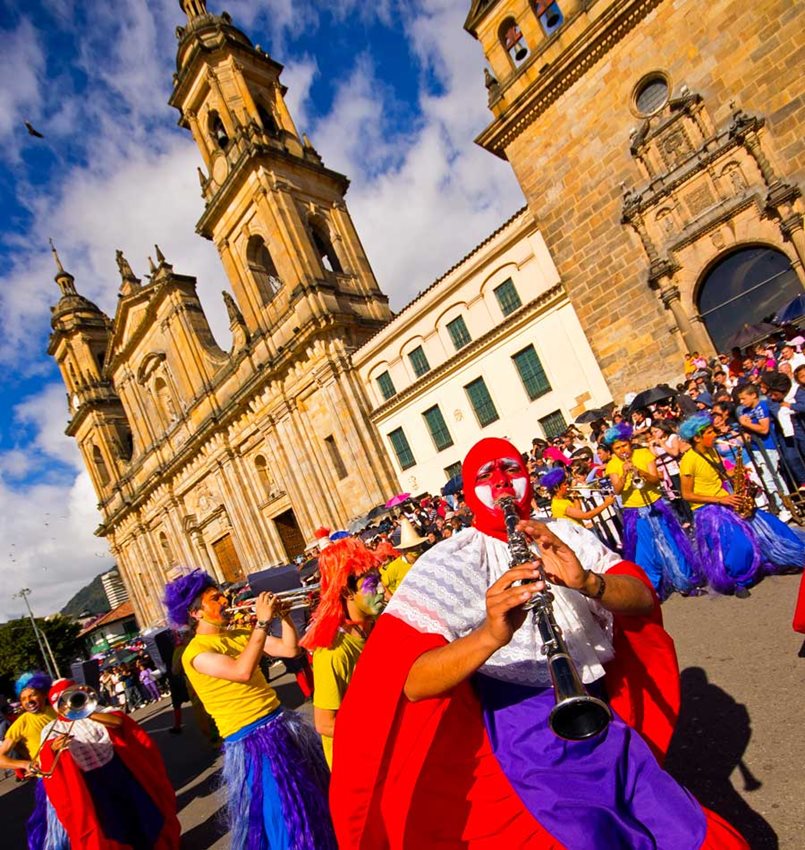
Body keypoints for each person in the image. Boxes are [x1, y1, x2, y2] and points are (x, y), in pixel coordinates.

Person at [329, 437, 747, 849]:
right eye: (485, 474)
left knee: (670, 825)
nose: (501, 483)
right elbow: (411, 682)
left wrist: (589, 582)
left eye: (510, 469)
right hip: (522, 737)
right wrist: (490, 636)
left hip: (598, 709)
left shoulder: (564, 534)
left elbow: (642, 599)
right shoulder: (448, 560)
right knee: (583, 836)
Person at [163, 569, 335, 850]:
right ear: (195, 612)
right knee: (285, 817)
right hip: (252, 741)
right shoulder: (194, 653)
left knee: (314, 799)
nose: (224, 600)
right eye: (214, 598)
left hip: (281, 724)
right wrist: (263, 622)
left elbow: (291, 651)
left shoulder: (239, 633)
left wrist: (284, 617)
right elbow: (242, 671)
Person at [34, 677, 180, 849]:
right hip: (90, 782)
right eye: (63, 701)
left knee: (138, 812)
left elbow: (119, 722)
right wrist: (53, 747)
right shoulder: (53, 728)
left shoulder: (96, 711)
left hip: (117, 770)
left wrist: (85, 712)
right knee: (111, 825)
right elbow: (47, 755)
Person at [679, 414, 804, 597]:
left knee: (770, 525)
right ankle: (739, 581)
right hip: (708, 509)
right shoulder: (688, 460)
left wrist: (736, 471)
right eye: (709, 432)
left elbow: (719, 475)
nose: (715, 434)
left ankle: (785, 556)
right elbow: (687, 494)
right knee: (738, 543)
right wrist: (720, 500)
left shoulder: (711, 451)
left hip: (728, 499)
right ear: (697, 437)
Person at [300, 538, 385, 767]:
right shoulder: (332, 652)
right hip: (357, 763)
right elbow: (325, 723)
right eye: (372, 584)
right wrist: (382, 731)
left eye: (380, 580)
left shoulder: (376, 626)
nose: (381, 589)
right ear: (347, 591)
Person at [603, 422, 702, 598]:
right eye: (617, 448)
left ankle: (685, 581)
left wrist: (640, 472)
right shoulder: (612, 465)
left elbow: (656, 480)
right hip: (634, 511)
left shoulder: (644, 454)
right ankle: (652, 589)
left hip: (655, 504)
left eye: (624, 445)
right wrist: (625, 474)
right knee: (645, 552)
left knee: (672, 542)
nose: (621, 450)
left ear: (629, 442)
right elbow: (617, 490)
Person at [0, 672, 56, 846]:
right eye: (23, 698)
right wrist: (24, 764)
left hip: (77, 769)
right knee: (56, 827)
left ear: (43, 694)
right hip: (49, 778)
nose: (28, 701)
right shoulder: (21, 722)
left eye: (32, 695)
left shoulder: (57, 710)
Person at [736, 383, 791, 520]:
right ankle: (783, 504)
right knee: (766, 478)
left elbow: (764, 428)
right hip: (755, 448)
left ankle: (786, 506)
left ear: (753, 395)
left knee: (772, 476)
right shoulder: (745, 411)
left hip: (767, 447)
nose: (742, 402)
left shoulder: (762, 407)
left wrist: (746, 423)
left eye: (744, 399)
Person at [540, 467, 615, 525]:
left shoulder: (564, 499)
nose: (568, 485)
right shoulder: (558, 504)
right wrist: (605, 504)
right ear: (556, 488)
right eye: (565, 484)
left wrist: (576, 496)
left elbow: (578, 510)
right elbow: (586, 516)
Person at [380, 517, 426, 595]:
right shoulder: (394, 567)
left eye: (418, 546)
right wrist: (392, 597)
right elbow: (381, 586)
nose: (417, 549)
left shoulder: (423, 558)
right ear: (404, 550)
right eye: (412, 547)